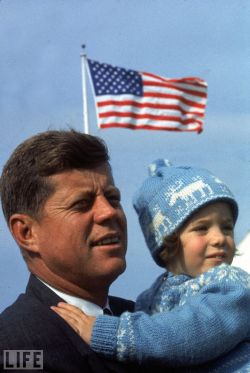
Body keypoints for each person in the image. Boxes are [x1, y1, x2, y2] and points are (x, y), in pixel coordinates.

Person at [52, 159, 250, 372]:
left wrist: (108, 333)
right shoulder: (149, 299)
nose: (219, 238)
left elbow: (186, 334)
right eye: (202, 228)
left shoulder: (231, 286)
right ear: (168, 241)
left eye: (227, 228)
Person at [0, 129, 151, 373]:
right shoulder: (13, 350)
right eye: (81, 204)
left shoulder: (147, 321)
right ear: (27, 233)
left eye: (112, 198)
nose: (109, 212)